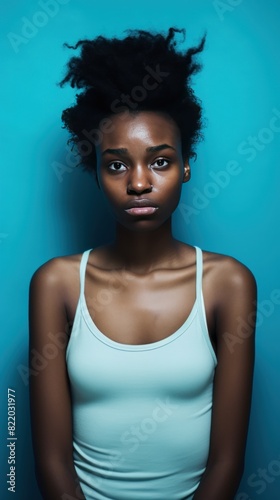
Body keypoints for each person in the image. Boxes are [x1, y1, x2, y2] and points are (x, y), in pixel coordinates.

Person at [29, 28, 257, 500]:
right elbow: (50, 462)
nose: (138, 183)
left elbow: (228, 462)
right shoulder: (56, 284)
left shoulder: (227, 284)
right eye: (115, 165)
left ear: (186, 166)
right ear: (94, 172)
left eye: (159, 162)